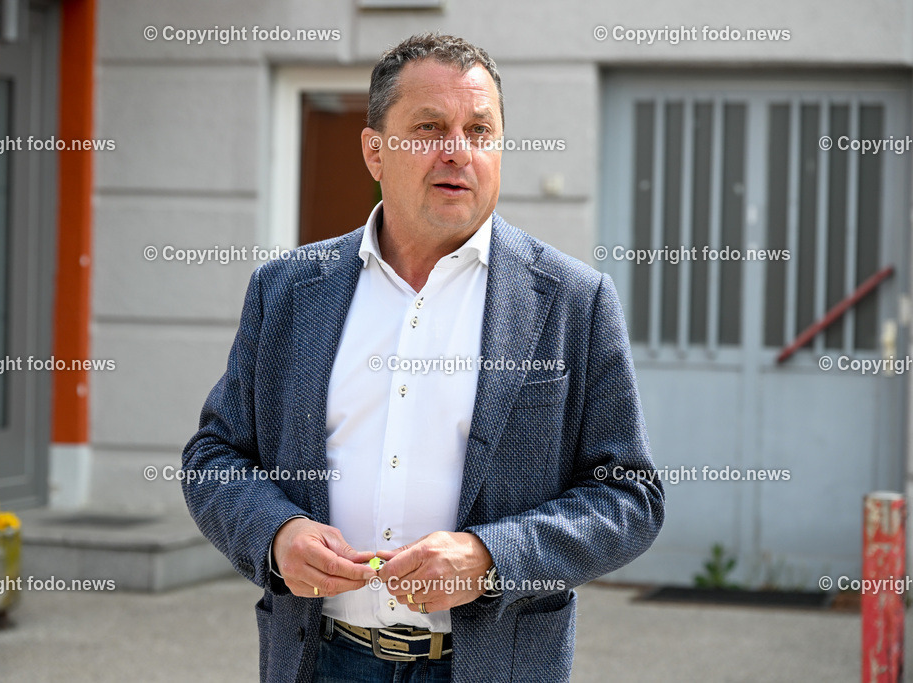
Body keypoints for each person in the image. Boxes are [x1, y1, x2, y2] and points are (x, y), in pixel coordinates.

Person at [182, 32, 664, 683]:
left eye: (479, 130)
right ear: (374, 151)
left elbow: (629, 497)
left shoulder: (573, 301)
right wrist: (275, 534)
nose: (457, 151)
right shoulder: (288, 290)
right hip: (321, 658)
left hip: (491, 666)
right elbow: (214, 455)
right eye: (430, 127)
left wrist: (490, 556)